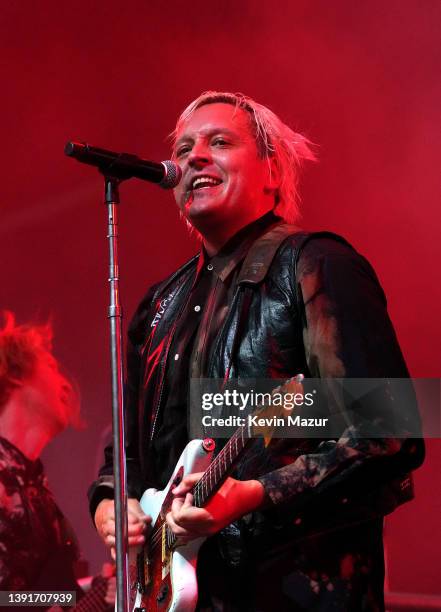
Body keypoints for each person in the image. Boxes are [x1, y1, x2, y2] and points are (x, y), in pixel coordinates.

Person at [89, 92, 424, 611]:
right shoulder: (159, 306)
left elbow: (389, 433)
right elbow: (126, 449)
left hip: (295, 589)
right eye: (183, 148)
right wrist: (112, 502)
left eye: (218, 142)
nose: (193, 157)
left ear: (271, 171)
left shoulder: (317, 266)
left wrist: (254, 494)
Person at [0, 312, 115, 610]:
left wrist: (101, 594)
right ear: (14, 373)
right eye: (51, 367)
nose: (66, 385)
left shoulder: (36, 490)